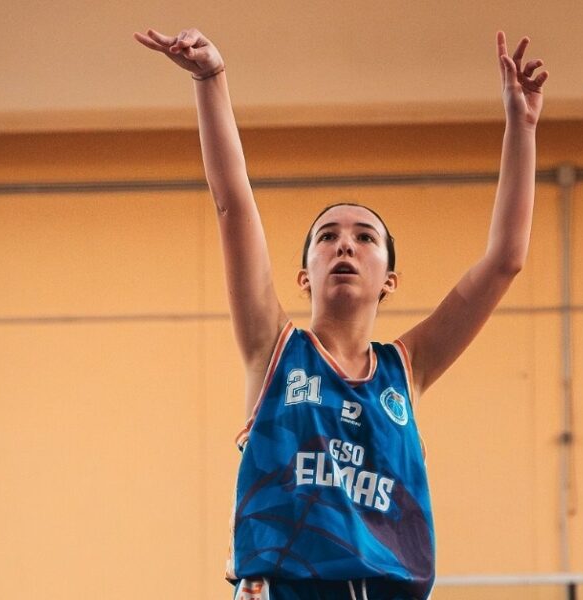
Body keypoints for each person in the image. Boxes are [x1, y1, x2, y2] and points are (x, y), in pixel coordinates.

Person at [134, 25, 548, 600]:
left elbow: (505, 261)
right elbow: (232, 204)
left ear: (389, 280)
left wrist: (521, 128)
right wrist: (211, 80)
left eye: (364, 237)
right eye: (327, 236)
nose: (345, 245)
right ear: (304, 276)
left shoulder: (407, 368)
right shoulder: (273, 349)